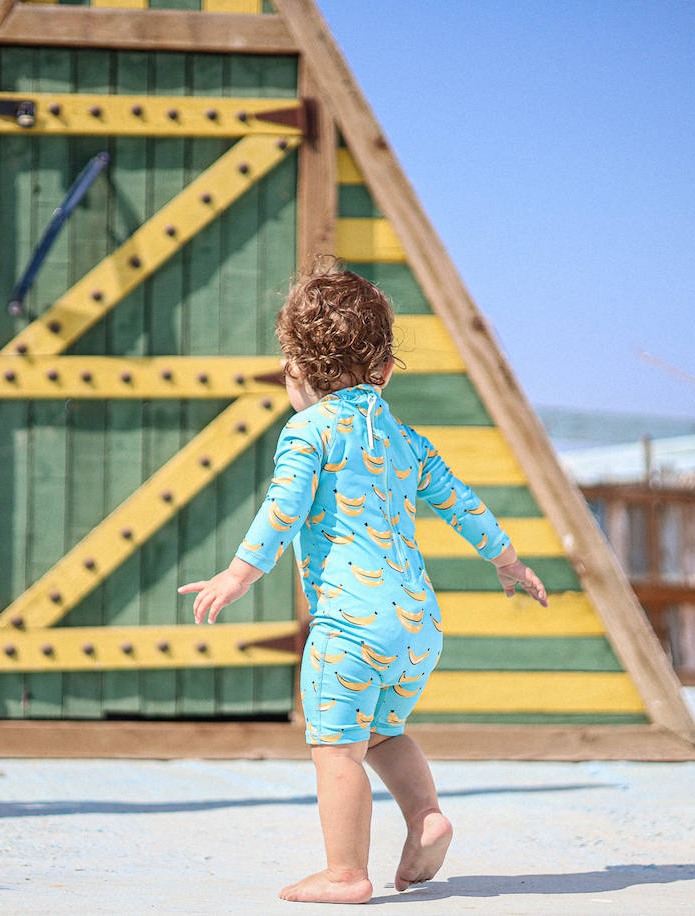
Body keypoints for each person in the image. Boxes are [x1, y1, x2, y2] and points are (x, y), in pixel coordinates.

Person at [178, 266, 548, 904]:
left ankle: (345, 872)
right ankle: (426, 816)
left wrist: (239, 573)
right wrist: (508, 560)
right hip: (417, 626)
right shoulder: (406, 440)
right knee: (381, 733)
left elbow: (283, 510)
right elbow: (463, 504)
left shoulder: (308, 431)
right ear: (383, 369)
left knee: (336, 750)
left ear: (297, 369)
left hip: (350, 626)